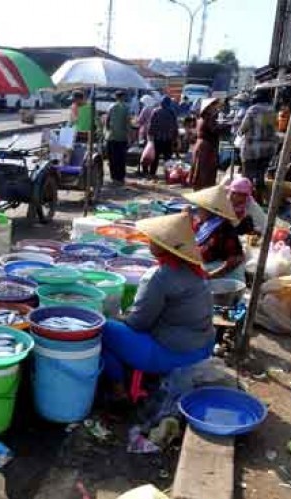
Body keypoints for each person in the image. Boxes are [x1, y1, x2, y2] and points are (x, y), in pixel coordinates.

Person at [100, 212, 215, 385]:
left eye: (154, 239)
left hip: (173, 354)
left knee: (101, 328)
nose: (149, 241)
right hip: (204, 346)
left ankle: (118, 387)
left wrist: (117, 317)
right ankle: (124, 377)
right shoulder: (195, 269)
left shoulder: (159, 276)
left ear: (164, 245)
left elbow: (138, 323)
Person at [184, 184, 245, 281]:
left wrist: (211, 275)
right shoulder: (205, 224)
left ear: (210, 211)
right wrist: (186, 218)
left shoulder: (224, 229)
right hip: (208, 268)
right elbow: (189, 238)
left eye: (200, 208)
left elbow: (236, 259)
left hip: (226, 277)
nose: (197, 210)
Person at [238, 88, 277, 203]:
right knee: (260, 175)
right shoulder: (272, 110)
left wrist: (239, 131)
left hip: (252, 149)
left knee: (248, 176)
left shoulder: (253, 109)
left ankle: (245, 200)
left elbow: (243, 129)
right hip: (267, 149)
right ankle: (258, 200)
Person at [188, 97, 226, 191]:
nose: (216, 108)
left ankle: (198, 189)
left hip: (202, 145)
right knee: (204, 170)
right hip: (206, 146)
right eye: (214, 105)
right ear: (209, 107)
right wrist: (226, 126)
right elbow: (214, 130)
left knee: (201, 169)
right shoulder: (208, 117)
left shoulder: (202, 117)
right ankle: (201, 191)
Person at [147, 96, 179, 179]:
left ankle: (152, 174)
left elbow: (151, 125)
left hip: (157, 138)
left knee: (155, 158)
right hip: (168, 139)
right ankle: (168, 175)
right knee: (168, 158)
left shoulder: (156, 111)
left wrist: (150, 137)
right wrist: (175, 138)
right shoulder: (172, 112)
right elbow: (175, 126)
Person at [106, 90, 131, 184]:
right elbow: (127, 123)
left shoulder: (111, 107)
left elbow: (107, 122)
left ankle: (113, 177)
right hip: (122, 137)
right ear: (123, 97)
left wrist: (108, 132)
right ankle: (120, 177)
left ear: (116, 97)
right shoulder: (126, 108)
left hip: (111, 136)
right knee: (121, 158)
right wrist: (130, 136)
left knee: (112, 158)